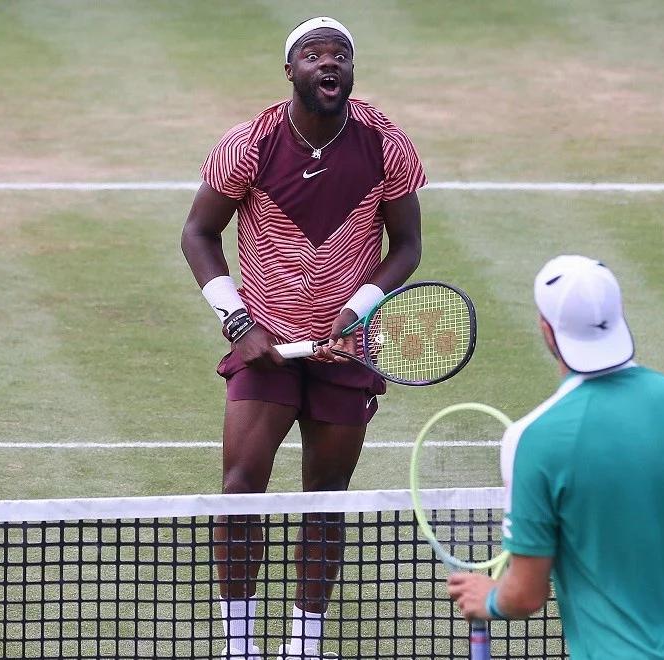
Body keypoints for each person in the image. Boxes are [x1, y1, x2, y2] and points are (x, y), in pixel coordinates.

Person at [180, 16, 425, 660]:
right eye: (314, 55)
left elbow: (408, 246)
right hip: (265, 343)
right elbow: (197, 235)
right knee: (240, 489)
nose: (329, 64)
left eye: (340, 56)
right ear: (290, 70)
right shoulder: (251, 143)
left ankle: (305, 644)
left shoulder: (385, 144)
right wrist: (238, 322)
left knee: (325, 496)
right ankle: (240, 644)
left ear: (350, 71)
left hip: (345, 349)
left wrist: (362, 307)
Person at [447, 255, 664, 659]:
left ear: (547, 330)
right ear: (619, 314)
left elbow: (524, 594)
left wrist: (488, 599)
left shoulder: (533, 440)